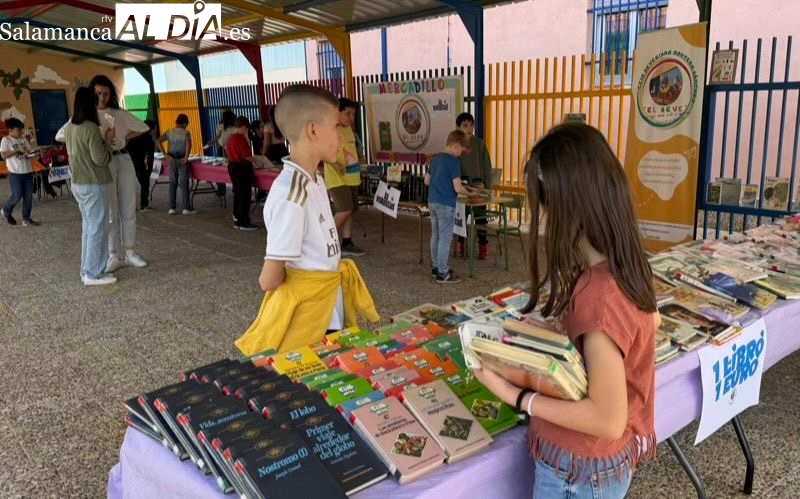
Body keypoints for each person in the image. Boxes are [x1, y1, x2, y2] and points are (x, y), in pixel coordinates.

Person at [471, 123, 658, 499]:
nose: (541, 218)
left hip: (578, 470)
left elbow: (607, 419)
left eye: (541, 205)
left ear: (563, 207)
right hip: (599, 465)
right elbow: (646, 323)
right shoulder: (625, 264)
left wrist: (517, 397)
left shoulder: (599, 295)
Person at [235, 84, 379, 355]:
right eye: (336, 126)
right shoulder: (293, 194)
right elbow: (268, 280)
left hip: (327, 312)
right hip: (308, 323)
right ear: (313, 130)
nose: (341, 135)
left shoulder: (314, 180)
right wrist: (309, 283)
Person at [58, 75, 151, 273]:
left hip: (122, 158)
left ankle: (130, 251)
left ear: (111, 94)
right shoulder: (85, 117)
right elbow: (61, 135)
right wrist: (91, 144)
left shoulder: (119, 113)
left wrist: (124, 137)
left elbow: (143, 127)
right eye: (98, 93)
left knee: (128, 204)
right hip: (102, 162)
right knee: (109, 209)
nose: (102, 97)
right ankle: (112, 254)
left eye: (106, 93)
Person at [63, 87, 115, 286]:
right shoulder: (91, 128)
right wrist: (107, 142)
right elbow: (100, 159)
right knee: (97, 228)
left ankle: (86, 270)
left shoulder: (70, 127)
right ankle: (92, 274)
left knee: (88, 227)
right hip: (93, 183)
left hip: (78, 183)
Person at [424, 129, 475, 284]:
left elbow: (426, 181)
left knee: (436, 235)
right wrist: (470, 192)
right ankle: (443, 272)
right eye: (461, 151)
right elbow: (458, 187)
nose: (461, 154)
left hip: (432, 202)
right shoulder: (453, 162)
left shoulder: (435, 159)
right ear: (456, 146)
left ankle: (435, 267)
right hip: (446, 204)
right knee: (445, 237)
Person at [322, 98, 366, 256]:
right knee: (345, 208)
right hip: (337, 178)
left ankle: (347, 241)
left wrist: (359, 156)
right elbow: (322, 152)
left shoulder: (349, 130)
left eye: (353, 114)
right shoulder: (330, 130)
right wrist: (334, 164)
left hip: (351, 177)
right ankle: (325, 241)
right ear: (337, 112)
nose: (351, 118)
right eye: (348, 114)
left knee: (350, 209)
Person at [456, 112, 493, 259]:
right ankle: (462, 247)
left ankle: (483, 248)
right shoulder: (455, 146)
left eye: (471, 125)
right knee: (461, 219)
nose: (469, 128)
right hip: (462, 190)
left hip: (479, 190)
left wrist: (487, 188)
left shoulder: (480, 144)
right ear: (458, 127)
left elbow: (487, 167)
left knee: (481, 219)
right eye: (465, 125)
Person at [1, 117, 38, 226]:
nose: (21, 132)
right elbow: (4, 155)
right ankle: (6, 210)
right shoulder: (6, 140)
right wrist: (17, 150)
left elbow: (29, 152)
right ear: (10, 130)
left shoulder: (23, 139)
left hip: (28, 171)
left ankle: (26, 219)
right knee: (17, 195)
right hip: (15, 173)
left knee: (28, 196)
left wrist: (33, 154)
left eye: (21, 129)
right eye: (18, 130)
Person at [156, 114, 194, 215]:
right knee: (184, 183)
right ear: (185, 123)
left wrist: (165, 155)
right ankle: (186, 208)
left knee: (172, 183)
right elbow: (189, 145)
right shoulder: (186, 133)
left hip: (171, 159)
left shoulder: (169, 131)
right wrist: (186, 158)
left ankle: (172, 208)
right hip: (182, 160)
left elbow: (158, 141)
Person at [226, 115, 258, 231]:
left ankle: (237, 219)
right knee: (245, 195)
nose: (246, 131)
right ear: (243, 127)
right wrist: (258, 161)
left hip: (232, 166)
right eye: (246, 128)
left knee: (238, 194)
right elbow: (247, 156)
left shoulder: (230, 138)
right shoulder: (240, 138)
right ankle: (244, 222)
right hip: (242, 168)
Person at [207, 109, 235, 203]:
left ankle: (222, 189)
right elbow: (219, 137)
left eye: (223, 113)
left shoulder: (226, 128)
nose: (221, 115)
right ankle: (229, 188)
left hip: (225, 150)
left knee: (222, 169)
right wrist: (213, 141)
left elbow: (221, 140)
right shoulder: (231, 127)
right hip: (228, 151)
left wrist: (215, 142)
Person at [127, 119, 156, 211]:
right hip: (138, 162)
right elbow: (150, 156)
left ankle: (130, 206)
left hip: (128, 161)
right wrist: (150, 170)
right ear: (151, 129)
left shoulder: (134, 134)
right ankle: (144, 205)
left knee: (128, 185)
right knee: (145, 183)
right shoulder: (148, 138)